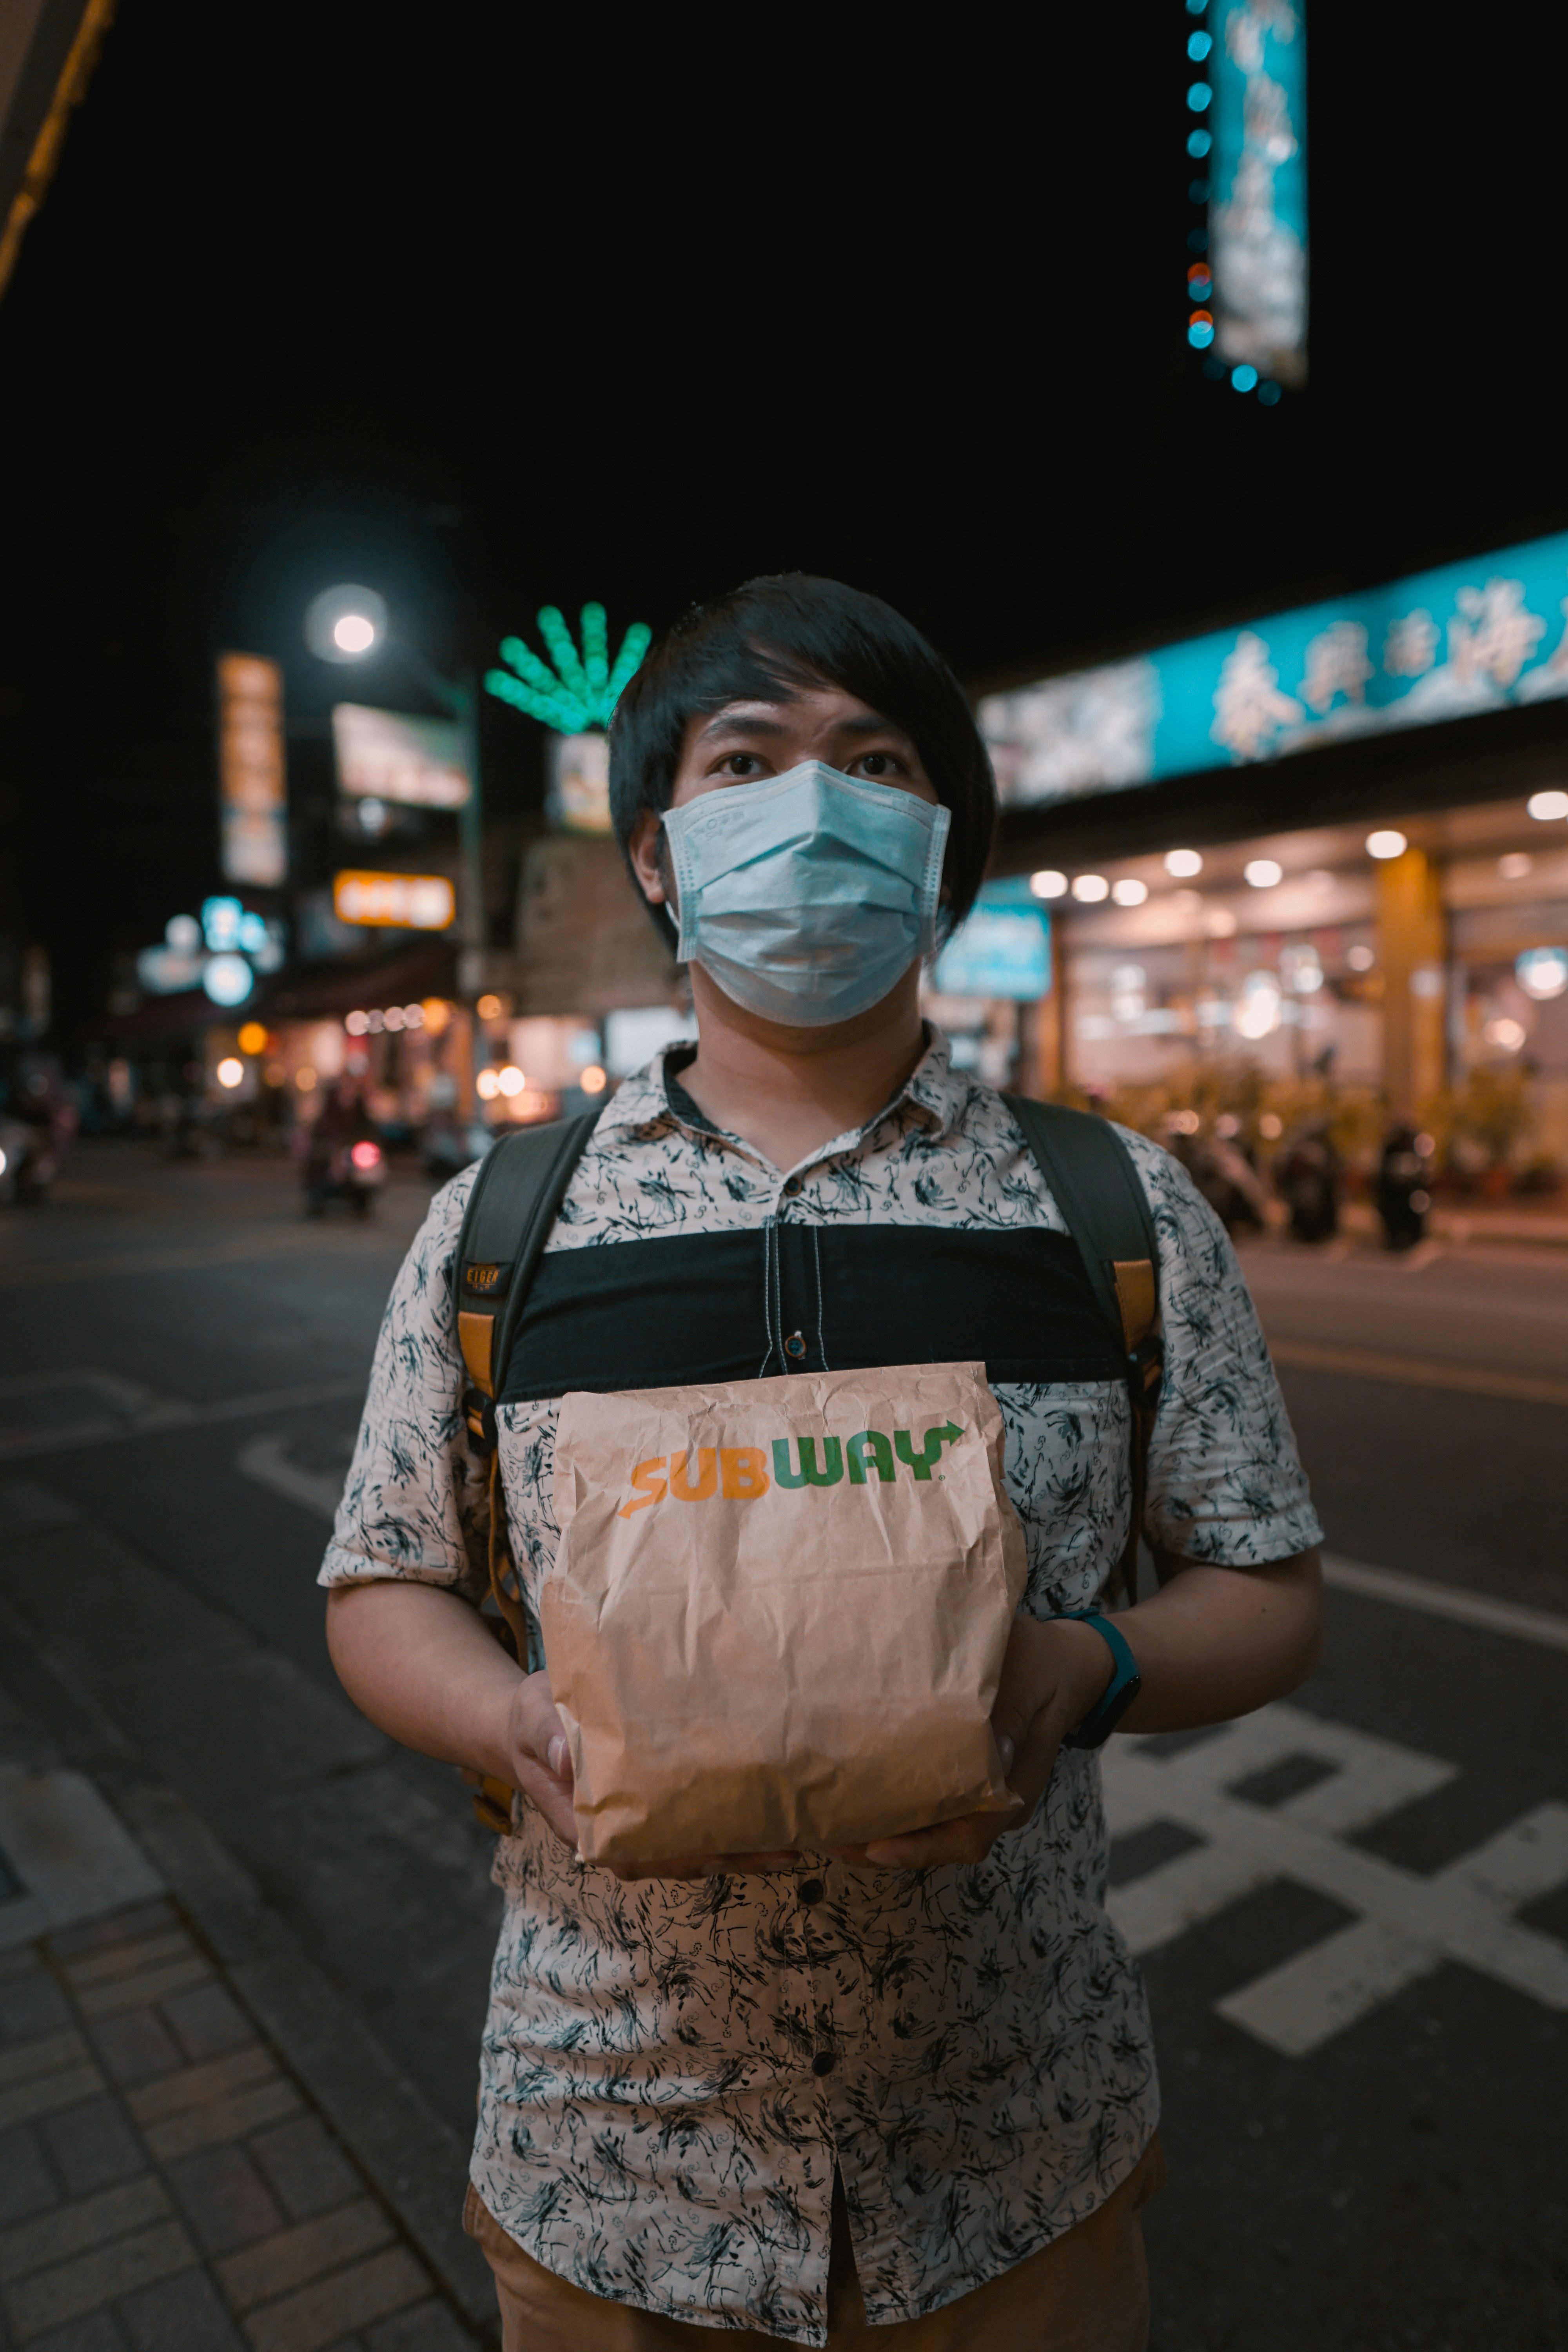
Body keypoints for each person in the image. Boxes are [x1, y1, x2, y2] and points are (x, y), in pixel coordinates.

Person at [322, 576, 1324, 2351]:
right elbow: (386, 1579)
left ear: (938, 846)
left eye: (871, 761)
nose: (810, 806)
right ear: (656, 854)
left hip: (1018, 2166)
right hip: (614, 2179)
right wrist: (509, 1723)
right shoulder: (508, 1224)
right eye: (744, 761)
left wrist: (1080, 1673)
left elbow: (1263, 1583)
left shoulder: (1115, 1207)